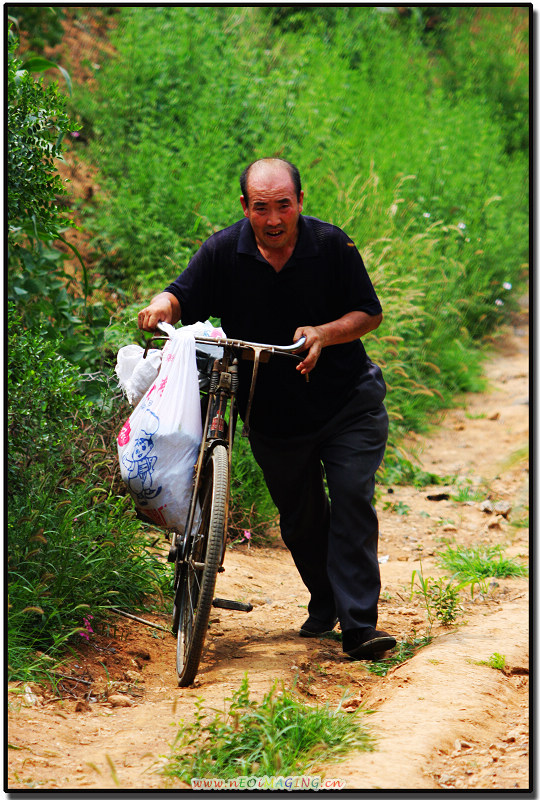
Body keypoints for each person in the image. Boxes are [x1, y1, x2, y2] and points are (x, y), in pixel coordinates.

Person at [138, 157, 396, 660]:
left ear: (300, 201)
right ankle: (326, 600)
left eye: (283, 205)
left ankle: (359, 626)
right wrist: (162, 306)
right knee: (300, 518)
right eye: (262, 208)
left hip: (348, 405)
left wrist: (323, 333)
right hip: (274, 415)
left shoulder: (331, 246)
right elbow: (180, 294)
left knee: (350, 500)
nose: (274, 219)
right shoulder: (223, 252)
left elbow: (370, 313)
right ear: (245, 208)